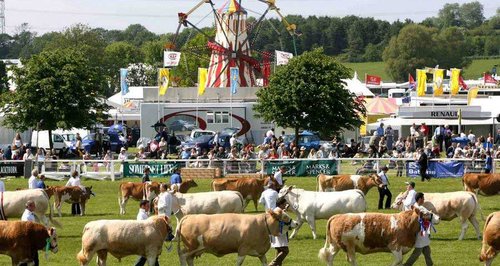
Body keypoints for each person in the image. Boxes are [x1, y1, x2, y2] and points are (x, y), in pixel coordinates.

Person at [403, 192, 435, 266]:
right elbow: (425, 217)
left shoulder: (415, 207)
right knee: (417, 252)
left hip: (423, 232)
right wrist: (430, 215)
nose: (424, 200)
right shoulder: (419, 208)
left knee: (427, 250)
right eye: (423, 198)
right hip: (420, 232)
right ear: (420, 199)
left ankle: (430, 264)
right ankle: (407, 265)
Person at [134, 200, 160, 266]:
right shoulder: (141, 215)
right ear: (143, 206)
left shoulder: (144, 214)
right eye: (147, 206)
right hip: (145, 238)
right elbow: (142, 226)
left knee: (149, 255)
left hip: (147, 238)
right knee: (147, 255)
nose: (149, 207)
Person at [268, 198, 292, 266]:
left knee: (279, 251)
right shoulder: (279, 211)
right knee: (285, 251)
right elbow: (281, 220)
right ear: (281, 204)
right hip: (279, 234)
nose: (285, 205)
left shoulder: (277, 210)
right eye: (284, 204)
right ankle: (272, 264)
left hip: (277, 233)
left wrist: (284, 211)